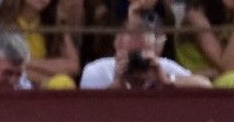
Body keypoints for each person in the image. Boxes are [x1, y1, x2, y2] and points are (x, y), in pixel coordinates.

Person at [82, 17, 212, 88]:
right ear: (116, 50)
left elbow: (206, 86)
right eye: (129, 54)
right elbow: (88, 112)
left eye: (139, 53)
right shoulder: (97, 71)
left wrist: (167, 81)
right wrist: (117, 86)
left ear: (153, 51)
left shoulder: (159, 67)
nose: (134, 60)